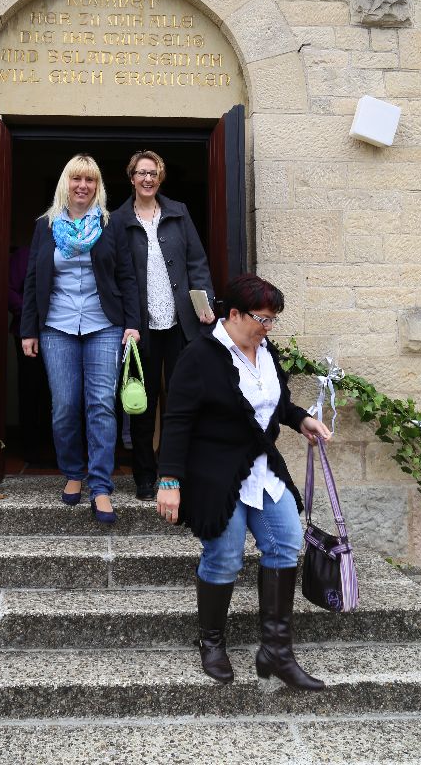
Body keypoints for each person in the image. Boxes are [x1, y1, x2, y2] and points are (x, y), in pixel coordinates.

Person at [157, 273, 331, 690]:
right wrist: (169, 480)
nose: (267, 328)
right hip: (216, 474)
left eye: (272, 321)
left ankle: (276, 651)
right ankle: (211, 642)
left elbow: (275, 403)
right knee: (226, 556)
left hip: (263, 469)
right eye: (262, 319)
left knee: (286, 542)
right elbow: (178, 421)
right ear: (233, 314)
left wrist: (301, 418)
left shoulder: (266, 352)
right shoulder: (199, 355)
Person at [20, 154, 140, 525]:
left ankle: (101, 486)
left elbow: (127, 277)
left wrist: (132, 323)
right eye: (76, 179)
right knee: (65, 406)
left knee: (102, 405)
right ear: (65, 184)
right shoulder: (46, 226)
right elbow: (32, 280)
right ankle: (74, 472)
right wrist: (28, 329)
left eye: (89, 180)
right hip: (56, 326)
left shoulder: (110, 225)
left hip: (104, 325)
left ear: (98, 186)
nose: (82, 186)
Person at [113, 150, 215, 501]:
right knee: (143, 403)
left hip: (179, 324)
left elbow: (197, 263)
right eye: (141, 173)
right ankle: (144, 475)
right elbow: (116, 275)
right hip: (140, 327)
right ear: (131, 177)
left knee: (181, 402)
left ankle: (176, 472)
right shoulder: (118, 220)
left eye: (153, 173)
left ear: (160, 177)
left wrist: (205, 304)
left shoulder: (178, 213)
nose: (147, 179)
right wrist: (125, 321)